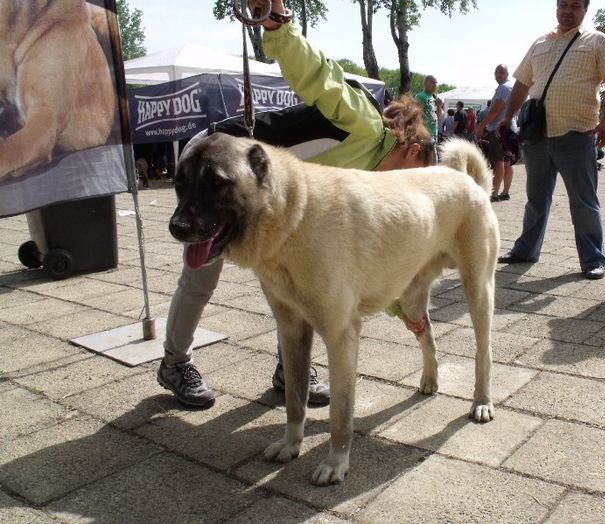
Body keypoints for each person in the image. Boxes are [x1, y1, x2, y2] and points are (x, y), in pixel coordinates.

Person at [156, 0, 437, 408]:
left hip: (266, 203)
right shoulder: (364, 123)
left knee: (296, 276)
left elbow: (371, 266)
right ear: (412, 151)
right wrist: (279, 25)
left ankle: (289, 370)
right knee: (202, 273)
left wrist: (401, 310)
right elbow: (323, 78)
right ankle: (174, 362)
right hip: (218, 166)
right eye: (412, 175)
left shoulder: (369, 179)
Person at [496, 0, 605, 281]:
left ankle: (593, 259)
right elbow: (522, 82)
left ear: (585, 10)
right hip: (537, 135)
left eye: (575, 6)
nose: (567, 10)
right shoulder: (540, 42)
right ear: (556, 7)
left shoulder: (596, 41)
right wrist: (508, 116)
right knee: (535, 199)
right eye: (563, 4)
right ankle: (526, 249)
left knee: (584, 201)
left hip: (577, 133)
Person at [475, 64, 516, 202]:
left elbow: (495, 111)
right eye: (496, 72)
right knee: (507, 161)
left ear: (507, 73)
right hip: (510, 128)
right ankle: (505, 192)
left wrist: (481, 125)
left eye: (501, 72)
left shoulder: (504, 88)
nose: (498, 75)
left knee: (498, 161)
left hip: (499, 129)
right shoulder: (511, 87)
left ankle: (494, 193)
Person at [416, 75, 442, 142]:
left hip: (434, 133)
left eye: (436, 83)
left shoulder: (434, 97)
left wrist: (439, 106)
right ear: (426, 83)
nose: (435, 85)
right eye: (433, 82)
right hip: (425, 133)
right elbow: (416, 115)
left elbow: (439, 116)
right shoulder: (420, 96)